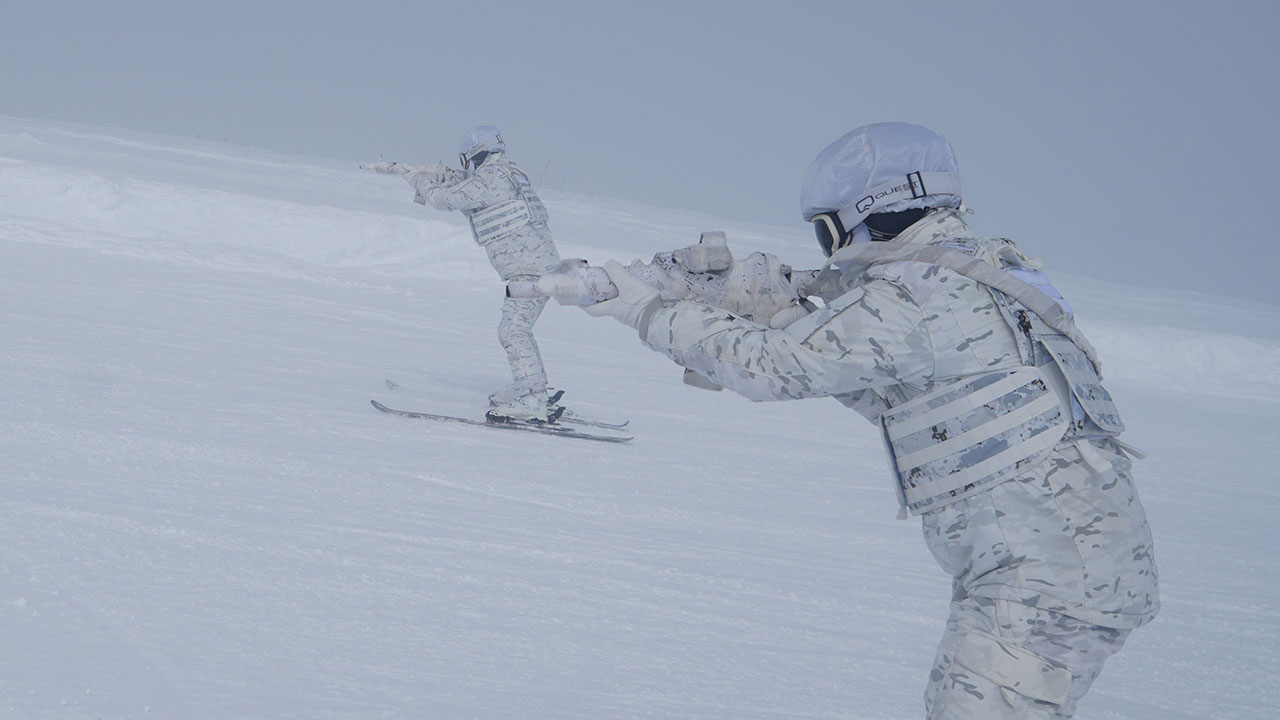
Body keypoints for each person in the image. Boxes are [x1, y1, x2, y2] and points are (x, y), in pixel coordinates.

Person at [554, 123, 1159, 718]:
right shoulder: (978, 273)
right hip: (1055, 567)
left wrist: (649, 311)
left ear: (863, 216)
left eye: (826, 229)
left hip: (1044, 577)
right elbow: (902, 396)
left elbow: (777, 369)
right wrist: (786, 316)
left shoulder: (920, 292)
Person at [370, 125, 564, 424]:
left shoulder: (491, 178)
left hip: (528, 271)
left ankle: (533, 400)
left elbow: (444, 200)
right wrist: (433, 174)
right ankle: (529, 387)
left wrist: (418, 180)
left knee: (513, 331)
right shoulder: (509, 173)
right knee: (518, 328)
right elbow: (465, 186)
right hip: (540, 267)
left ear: (473, 155)